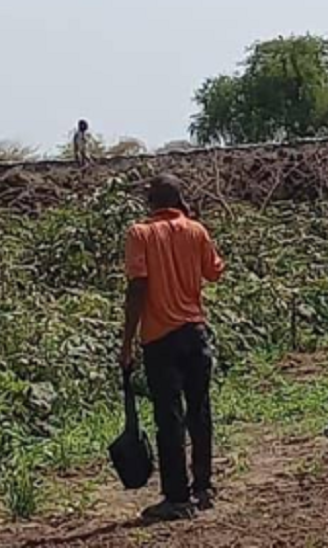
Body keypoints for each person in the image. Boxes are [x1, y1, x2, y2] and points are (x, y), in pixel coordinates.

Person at [119, 174, 225, 521]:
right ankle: (204, 487)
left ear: (150, 203)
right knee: (200, 411)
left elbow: (137, 289)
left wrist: (127, 342)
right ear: (179, 201)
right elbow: (214, 272)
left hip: (160, 339)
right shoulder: (196, 230)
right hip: (196, 332)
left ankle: (177, 498)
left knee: (170, 418)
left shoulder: (140, 234)